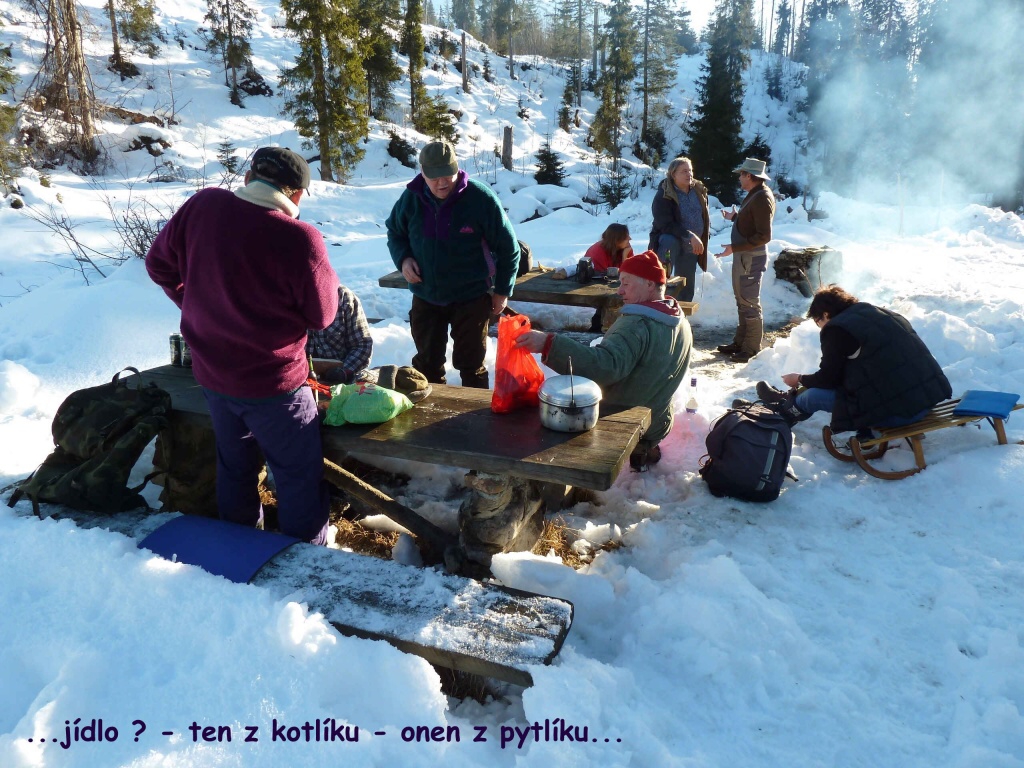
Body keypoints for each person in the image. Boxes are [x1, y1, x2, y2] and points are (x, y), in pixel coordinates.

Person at [145, 147, 340, 545]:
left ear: (249, 177)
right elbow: (323, 315)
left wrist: (195, 303)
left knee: (235, 468)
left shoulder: (204, 205)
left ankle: (239, 546)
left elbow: (158, 265)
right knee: (296, 478)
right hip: (276, 385)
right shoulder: (301, 238)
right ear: (298, 196)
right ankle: (306, 562)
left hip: (213, 375)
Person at [515, 250, 692, 471]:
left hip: (619, 416)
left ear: (649, 284)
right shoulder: (678, 320)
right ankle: (644, 446)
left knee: (542, 417)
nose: (619, 291)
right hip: (657, 419)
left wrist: (549, 344)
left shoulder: (637, 325)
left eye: (626, 283)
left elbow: (604, 367)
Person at [386, 139, 520, 388]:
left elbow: (509, 248)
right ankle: (427, 422)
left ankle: (476, 423)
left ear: (457, 169)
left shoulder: (480, 199)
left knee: (472, 365)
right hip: (426, 296)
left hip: (470, 298)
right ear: (423, 173)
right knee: (426, 365)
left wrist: (502, 291)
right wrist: (403, 259)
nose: (442, 182)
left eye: (448, 175)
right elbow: (395, 233)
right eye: (435, 177)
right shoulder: (411, 199)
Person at [756, 285, 952, 436]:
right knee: (836, 381)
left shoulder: (837, 329)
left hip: (898, 412)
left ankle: (780, 415)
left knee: (813, 396)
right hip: (925, 400)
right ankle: (787, 401)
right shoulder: (880, 314)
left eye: (818, 322)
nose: (820, 328)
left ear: (825, 315)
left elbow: (828, 379)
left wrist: (799, 378)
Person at [716, 157, 776, 362]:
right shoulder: (755, 194)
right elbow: (751, 222)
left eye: (741, 174)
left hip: (751, 258)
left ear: (749, 176)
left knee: (749, 302)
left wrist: (736, 247)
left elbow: (764, 235)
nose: (739, 178)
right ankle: (740, 342)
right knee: (742, 301)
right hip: (745, 257)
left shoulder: (761, 197)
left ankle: (750, 348)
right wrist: (734, 218)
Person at [648, 156, 710, 303]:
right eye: (684, 171)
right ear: (673, 174)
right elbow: (665, 224)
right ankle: (660, 311)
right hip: (670, 244)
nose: (689, 174)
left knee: (686, 287)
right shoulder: (664, 195)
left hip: (691, 246)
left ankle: (682, 320)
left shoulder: (698, 191)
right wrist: (690, 235)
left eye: (690, 170)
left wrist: (699, 237)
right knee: (665, 282)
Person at [307, 285, 373, 385]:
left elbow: (362, 345)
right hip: (297, 379)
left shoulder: (343, 297)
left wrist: (344, 371)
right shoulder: (282, 299)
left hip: (342, 381)